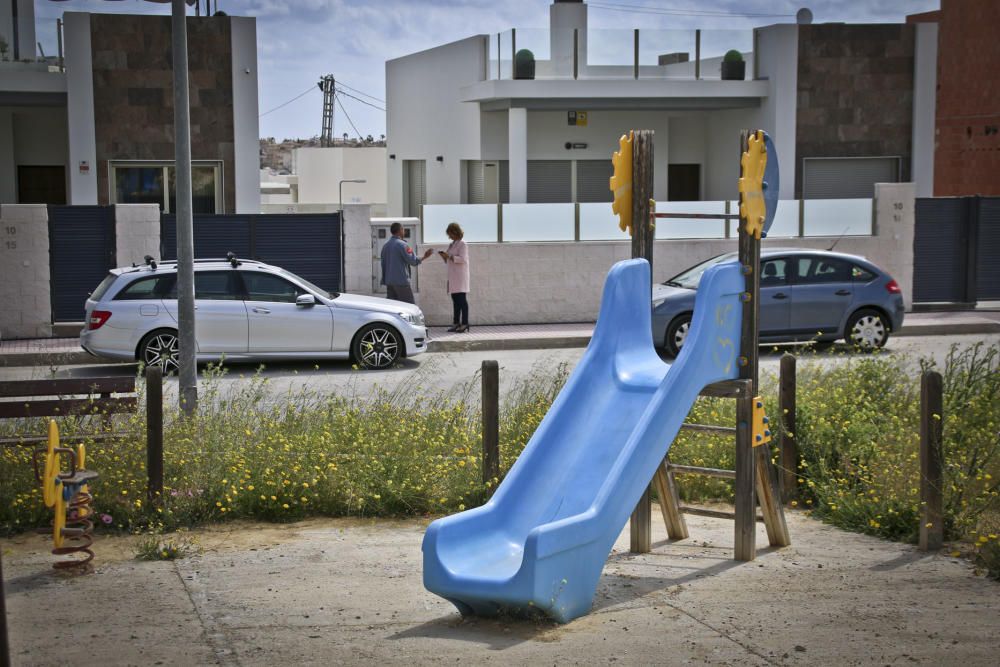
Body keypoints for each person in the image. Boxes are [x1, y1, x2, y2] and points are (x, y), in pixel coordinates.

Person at [380, 222, 433, 303]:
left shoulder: (385, 245)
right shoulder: (403, 245)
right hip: (401, 282)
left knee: (394, 308)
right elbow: (413, 261)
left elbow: (383, 264)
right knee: (410, 307)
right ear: (400, 230)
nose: (404, 231)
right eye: (403, 229)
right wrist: (425, 256)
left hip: (389, 282)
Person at [439, 222, 470, 332]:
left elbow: (462, 259)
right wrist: (444, 256)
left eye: (450, 233)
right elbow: (449, 258)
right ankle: (456, 323)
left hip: (460, 277)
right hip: (452, 277)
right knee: (455, 301)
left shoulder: (463, 244)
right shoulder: (452, 244)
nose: (449, 236)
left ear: (455, 232)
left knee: (462, 301)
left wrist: (450, 256)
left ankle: (465, 323)